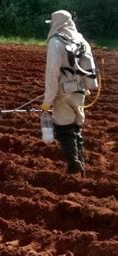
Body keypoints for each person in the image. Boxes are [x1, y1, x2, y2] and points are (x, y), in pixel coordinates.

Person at [41, 10, 98, 178]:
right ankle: (81, 169)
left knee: (65, 130)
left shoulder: (56, 42)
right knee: (76, 129)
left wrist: (47, 101)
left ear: (57, 23)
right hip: (80, 93)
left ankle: (74, 170)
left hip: (63, 94)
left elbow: (52, 74)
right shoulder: (81, 40)